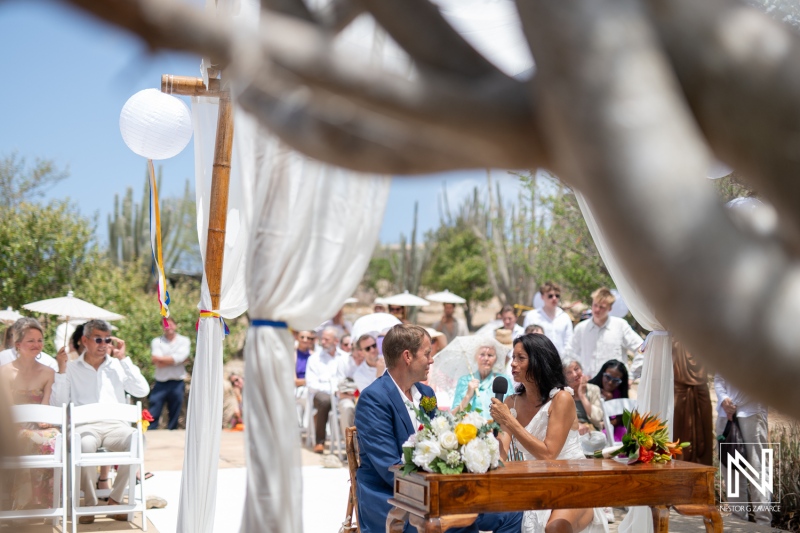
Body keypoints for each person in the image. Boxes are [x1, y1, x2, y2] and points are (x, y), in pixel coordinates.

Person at [355, 324, 522, 533]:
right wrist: (443, 491)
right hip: (393, 498)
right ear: (408, 357)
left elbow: (442, 438)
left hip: (436, 491)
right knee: (461, 524)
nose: (431, 360)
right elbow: (390, 468)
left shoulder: (426, 394)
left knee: (512, 513)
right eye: (427, 354)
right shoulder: (374, 399)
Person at [490, 334, 609, 533]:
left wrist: (509, 420)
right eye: (513, 358)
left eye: (521, 358)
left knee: (555, 528)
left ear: (539, 361)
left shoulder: (561, 398)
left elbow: (548, 453)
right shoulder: (511, 402)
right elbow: (501, 454)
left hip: (572, 481)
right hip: (535, 484)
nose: (513, 364)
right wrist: (487, 438)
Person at [51, 319, 150, 524]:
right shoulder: (70, 367)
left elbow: (142, 390)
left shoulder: (118, 365)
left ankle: (115, 500)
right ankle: (88, 503)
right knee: (83, 445)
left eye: (107, 339)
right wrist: (61, 371)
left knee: (138, 440)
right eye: (98, 339)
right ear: (85, 340)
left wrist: (124, 359)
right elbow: (58, 403)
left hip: (116, 426)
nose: (103, 344)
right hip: (84, 427)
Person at [0, 318, 59, 510]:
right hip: (13, 426)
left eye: (40, 340)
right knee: (24, 437)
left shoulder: (48, 372)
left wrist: (43, 420)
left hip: (40, 426)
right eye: (31, 340)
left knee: (54, 439)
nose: (37, 345)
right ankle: (23, 502)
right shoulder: (5, 372)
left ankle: (46, 502)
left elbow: (46, 404)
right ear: (18, 344)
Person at [714, 372, 771, 525]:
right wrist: (723, 400)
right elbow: (719, 377)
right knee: (731, 469)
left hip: (752, 414)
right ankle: (738, 521)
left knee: (758, 469)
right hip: (724, 415)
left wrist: (733, 404)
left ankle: (763, 523)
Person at [567, 288, 642, 376]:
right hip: (589, 384)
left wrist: (632, 376)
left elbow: (641, 348)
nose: (597, 309)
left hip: (614, 385)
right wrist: (578, 373)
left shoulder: (620, 326)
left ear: (610, 308)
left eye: (602, 307)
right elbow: (569, 353)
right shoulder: (581, 328)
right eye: (595, 305)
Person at [672, 340, 713, 465]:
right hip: (679, 392)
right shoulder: (672, 336)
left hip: (700, 393)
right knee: (678, 432)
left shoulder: (705, 337)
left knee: (704, 437)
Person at [148, 317, 191, 430]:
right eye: (165, 325)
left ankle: (172, 436)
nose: (168, 327)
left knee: (175, 412)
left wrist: (162, 360)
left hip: (177, 382)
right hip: (161, 382)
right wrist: (176, 361)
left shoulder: (184, 340)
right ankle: (150, 434)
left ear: (175, 325)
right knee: (154, 410)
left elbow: (180, 358)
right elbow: (156, 360)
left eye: (170, 324)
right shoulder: (157, 341)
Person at [305, 327, 342, 453]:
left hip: (341, 394)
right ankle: (320, 441)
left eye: (327, 339)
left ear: (336, 341)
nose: (323, 341)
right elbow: (311, 384)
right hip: (320, 394)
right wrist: (332, 390)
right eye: (322, 339)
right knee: (325, 401)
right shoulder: (314, 358)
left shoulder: (344, 357)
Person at [451, 342, 512, 415]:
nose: (486, 358)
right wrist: (467, 396)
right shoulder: (464, 380)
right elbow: (454, 415)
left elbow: (512, 410)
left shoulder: (502, 380)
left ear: (496, 359)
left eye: (490, 355)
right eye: (482, 355)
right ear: (475, 357)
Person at [523, 282, 574, 356]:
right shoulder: (532, 316)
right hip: (539, 361)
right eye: (550, 296)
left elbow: (569, 343)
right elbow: (526, 340)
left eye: (557, 296)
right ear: (542, 297)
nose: (554, 298)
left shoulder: (565, 317)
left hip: (560, 362)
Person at [588, 359, 629, 443]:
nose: (610, 382)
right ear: (602, 373)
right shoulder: (589, 388)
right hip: (590, 428)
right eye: (608, 377)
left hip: (611, 429)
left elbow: (621, 419)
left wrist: (610, 402)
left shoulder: (620, 394)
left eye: (616, 381)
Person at [563, 358, 603, 434]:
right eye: (569, 372)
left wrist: (582, 395)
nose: (575, 374)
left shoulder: (594, 389)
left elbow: (597, 418)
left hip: (592, 432)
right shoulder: (563, 393)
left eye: (576, 369)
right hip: (571, 432)